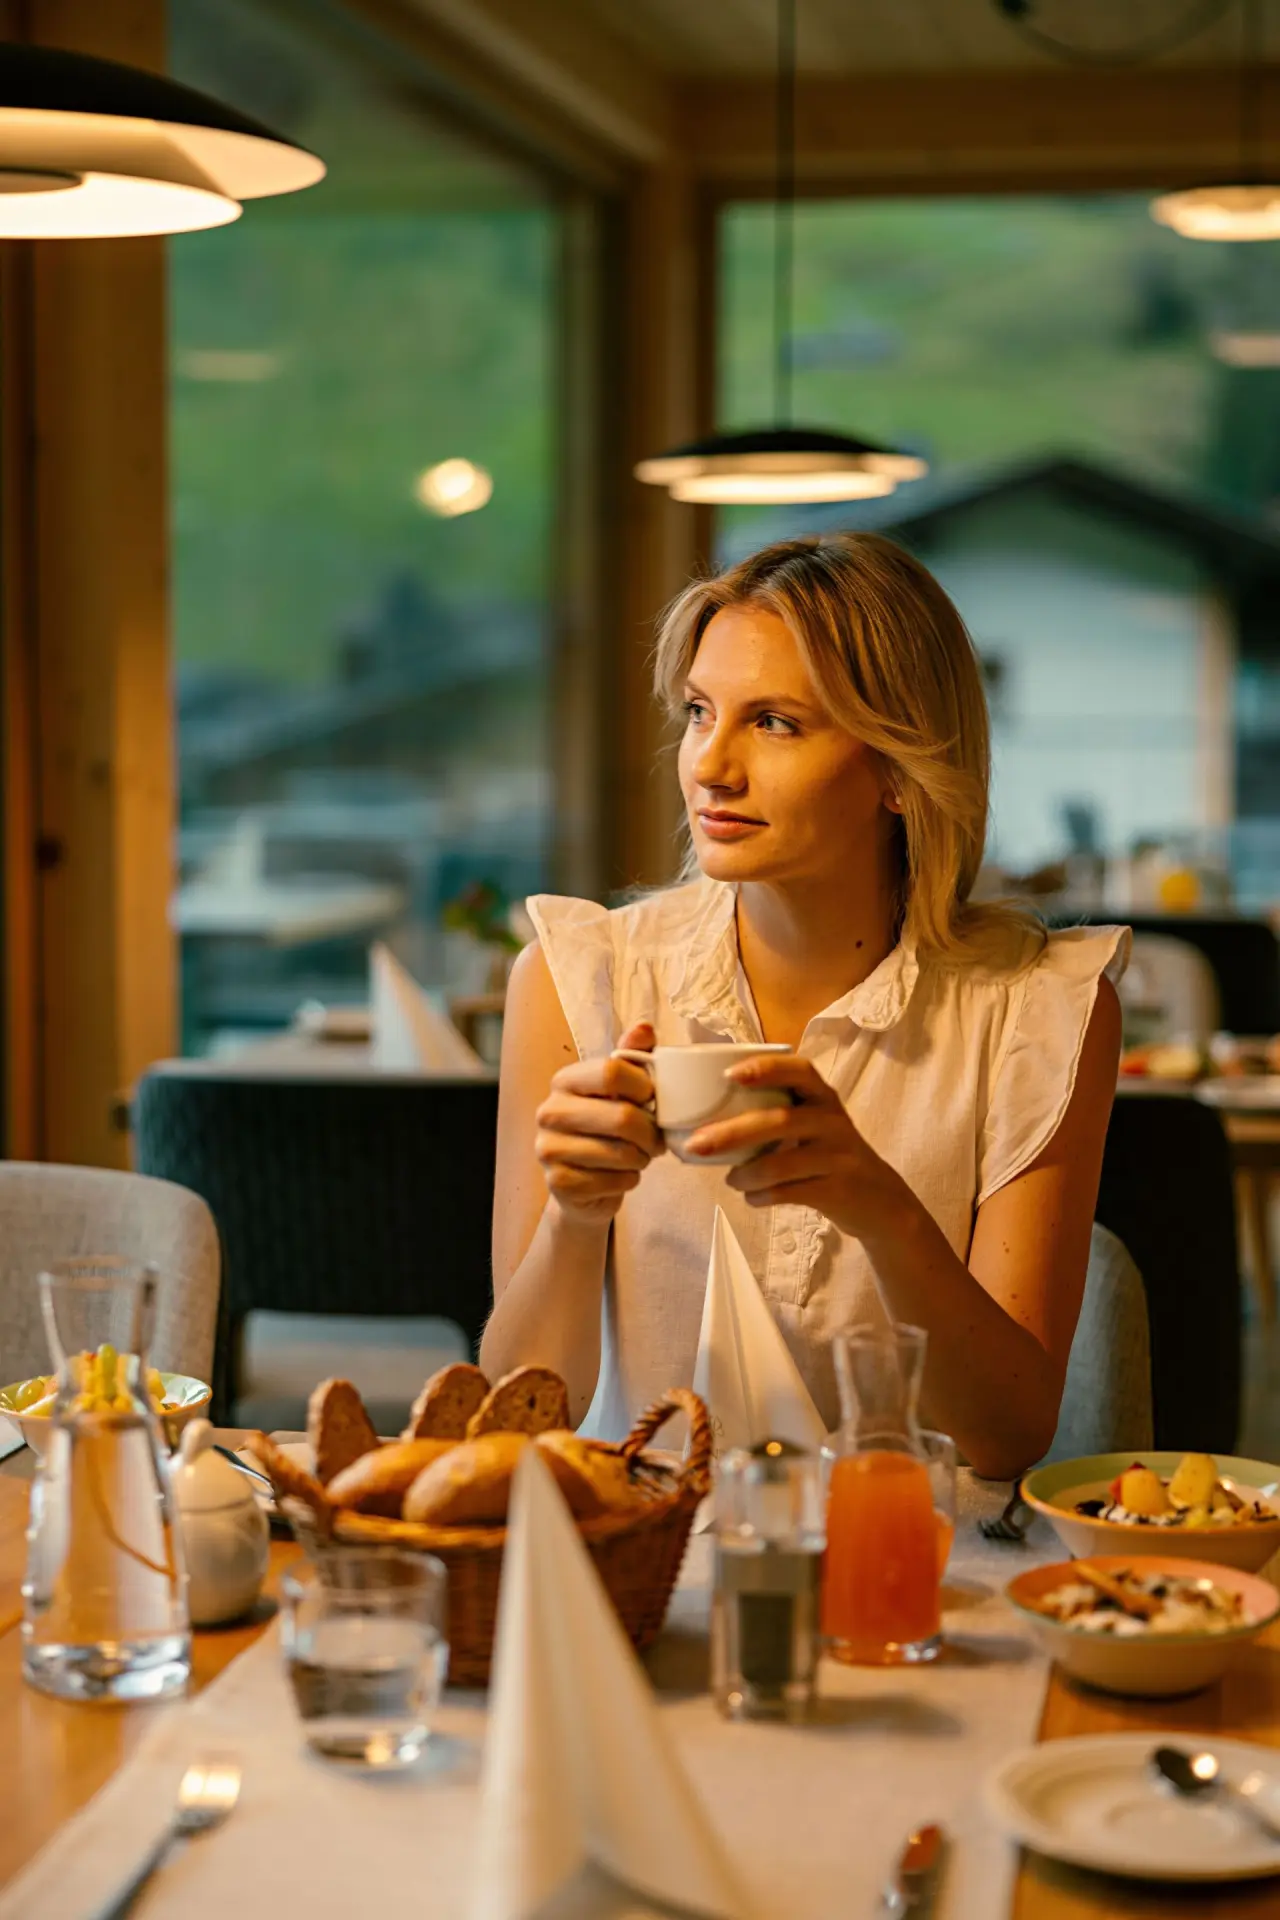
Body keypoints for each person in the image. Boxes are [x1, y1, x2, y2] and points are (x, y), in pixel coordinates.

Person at [481, 533, 1125, 1479]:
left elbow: (1007, 1436)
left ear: (901, 772)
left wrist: (884, 1211)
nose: (711, 765)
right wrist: (576, 1218)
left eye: (775, 723)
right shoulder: (577, 980)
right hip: (645, 1557)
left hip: (914, 1571)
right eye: (701, 713)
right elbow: (521, 1420)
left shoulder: (1039, 1010)